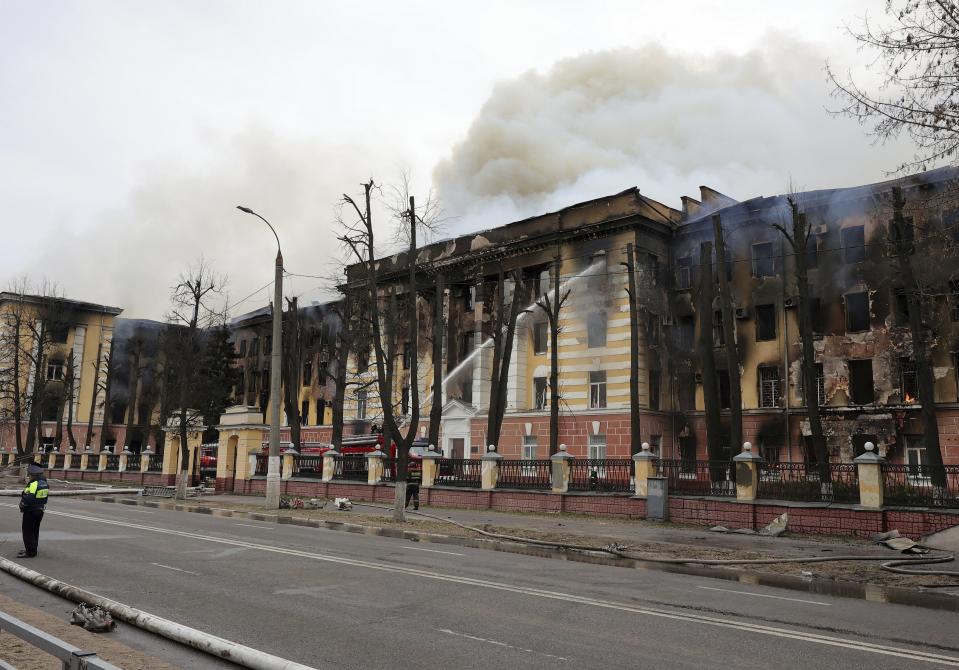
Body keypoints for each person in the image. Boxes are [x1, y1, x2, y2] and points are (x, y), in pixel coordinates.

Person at [18, 463, 49, 558]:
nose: (29, 476)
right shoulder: (44, 483)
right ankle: (32, 549)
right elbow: (45, 498)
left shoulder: (34, 484)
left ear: (34, 475)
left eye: (30, 475)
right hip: (40, 510)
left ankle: (30, 552)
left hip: (31, 511)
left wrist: (22, 505)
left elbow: (29, 498)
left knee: (27, 531)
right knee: (35, 530)